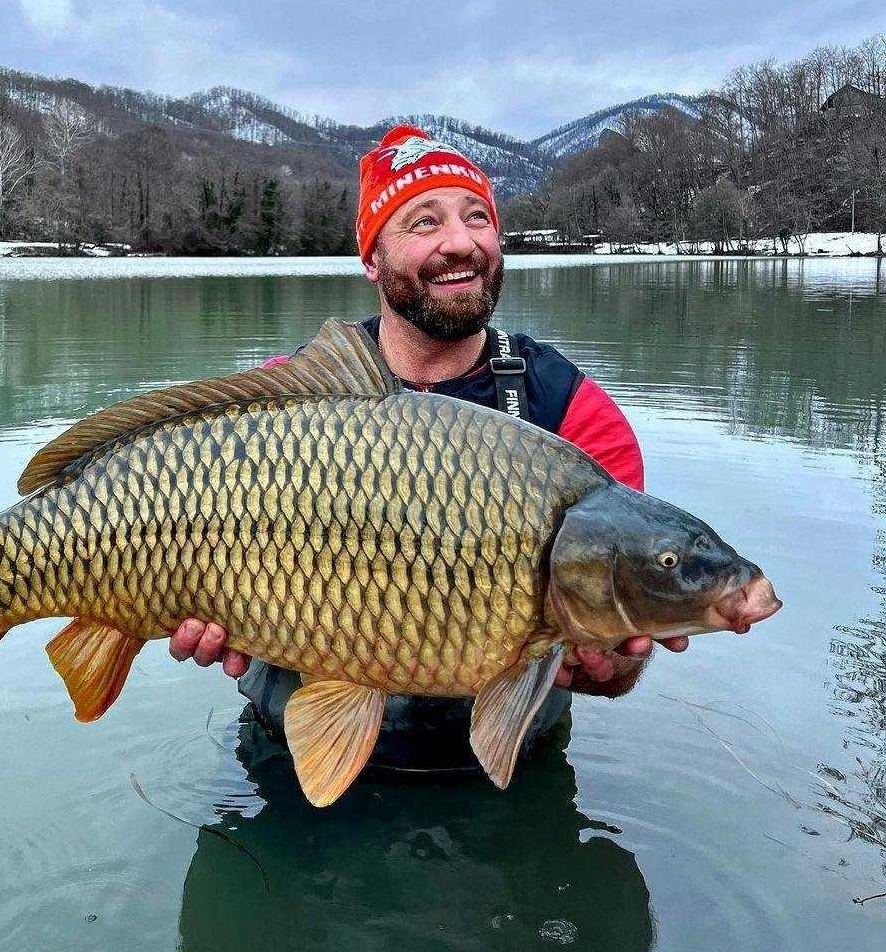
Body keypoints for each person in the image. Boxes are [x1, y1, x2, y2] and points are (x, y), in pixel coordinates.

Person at [169, 123, 688, 768]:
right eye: (423, 222)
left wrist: (609, 663)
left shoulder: (576, 416)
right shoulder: (285, 399)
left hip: (497, 778)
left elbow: (616, 664)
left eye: (478, 218)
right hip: (285, 758)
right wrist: (182, 602)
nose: (461, 243)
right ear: (372, 258)